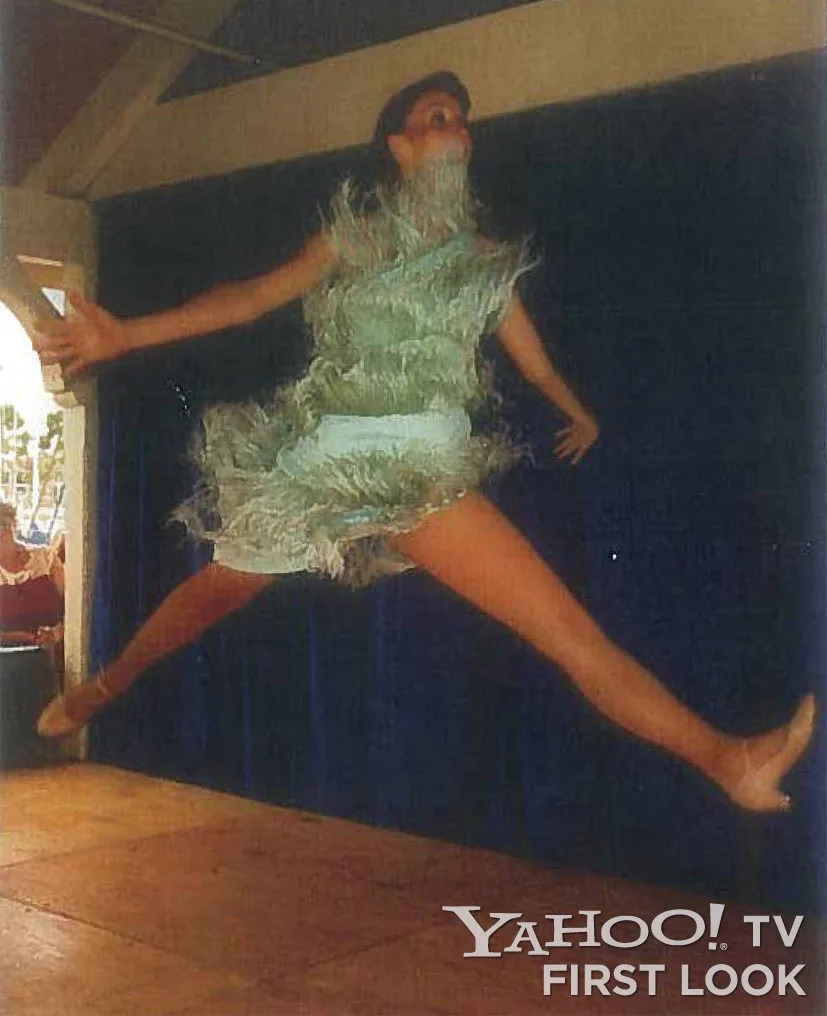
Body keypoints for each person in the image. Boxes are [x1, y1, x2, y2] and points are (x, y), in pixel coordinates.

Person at [32, 72, 814, 812]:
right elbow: (250, 299)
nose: (455, 129)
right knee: (208, 600)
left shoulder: (484, 265)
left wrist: (580, 412)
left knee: (571, 636)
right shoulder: (353, 239)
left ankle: (728, 761)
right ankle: (104, 686)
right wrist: (127, 333)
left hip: (420, 475)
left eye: (461, 121)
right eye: (436, 117)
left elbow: (532, 358)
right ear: (399, 147)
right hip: (321, 463)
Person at [0, 500, 64, 655]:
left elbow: (73, 609)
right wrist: (30, 637)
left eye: (2, 522)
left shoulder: (45, 559)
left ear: (15, 524)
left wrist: (57, 633)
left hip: (56, 658)